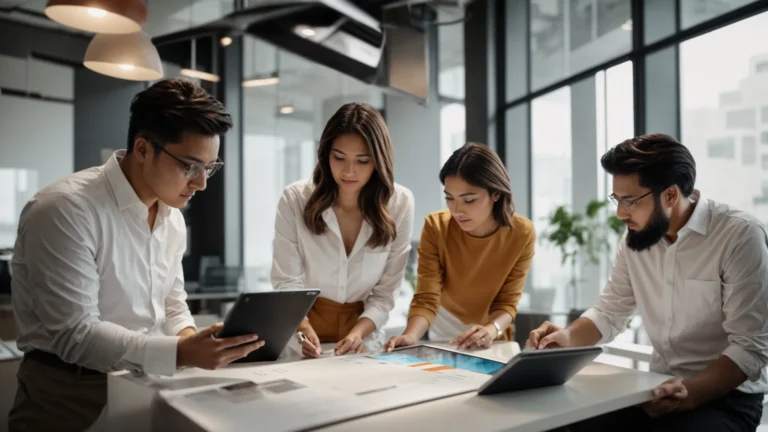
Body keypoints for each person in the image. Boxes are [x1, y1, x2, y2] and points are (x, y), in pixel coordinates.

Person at [9, 78, 264, 432]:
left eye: (209, 168)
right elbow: (76, 334)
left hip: (147, 384)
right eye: (190, 166)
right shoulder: (64, 209)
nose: (201, 183)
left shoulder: (172, 217)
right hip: (68, 393)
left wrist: (195, 340)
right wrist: (182, 353)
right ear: (143, 149)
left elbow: (172, 303)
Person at [527, 133, 768, 432]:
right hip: (656, 388)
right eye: (617, 199)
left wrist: (689, 394)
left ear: (669, 195)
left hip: (726, 399)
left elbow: (750, 346)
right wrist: (566, 338)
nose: (619, 213)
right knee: (562, 424)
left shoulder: (739, 236)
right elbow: (609, 312)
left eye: (629, 201)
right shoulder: (635, 240)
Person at [272, 102, 414, 358]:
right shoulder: (295, 199)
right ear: (325, 154)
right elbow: (286, 281)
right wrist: (302, 328)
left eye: (362, 161)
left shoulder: (400, 203)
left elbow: (384, 293)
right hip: (301, 333)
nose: (349, 171)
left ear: (379, 161)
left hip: (362, 339)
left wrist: (358, 333)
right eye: (339, 158)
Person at [384, 143, 535, 352]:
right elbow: (427, 297)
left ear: (496, 194)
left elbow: (507, 303)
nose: (457, 210)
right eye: (449, 198)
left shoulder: (522, 233)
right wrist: (410, 336)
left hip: (493, 335)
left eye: (469, 200)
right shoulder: (435, 227)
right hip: (442, 332)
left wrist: (491, 330)